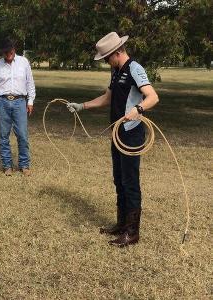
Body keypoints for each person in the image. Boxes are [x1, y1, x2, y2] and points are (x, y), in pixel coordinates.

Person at [66, 32, 159, 247]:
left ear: (117, 52)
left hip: (131, 133)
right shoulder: (116, 71)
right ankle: (121, 224)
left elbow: (153, 96)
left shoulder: (135, 68)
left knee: (130, 181)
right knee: (119, 179)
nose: (106, 62)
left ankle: (132, 232)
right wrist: (82, 106)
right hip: (117, 133)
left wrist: (138, 109)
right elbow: (107, 98)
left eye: (107, 58)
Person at [0, 38, 36, 176]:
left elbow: (30, 83)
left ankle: (24, 165)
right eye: (5, 52)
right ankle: (7, 165)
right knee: (3, 136)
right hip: (1, 101)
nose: (8, 54)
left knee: (22, 135)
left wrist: (30, 101)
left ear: (14, 49)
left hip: (20, 102)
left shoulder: (24, 62)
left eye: (10, 51)